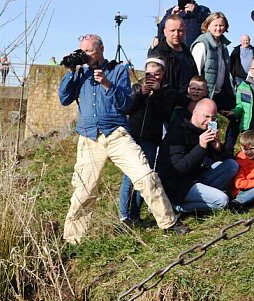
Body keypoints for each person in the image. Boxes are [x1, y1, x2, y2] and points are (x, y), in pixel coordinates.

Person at [58, 34, 187, 243]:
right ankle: (73, 239)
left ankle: (169, 222)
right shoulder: (80, 74)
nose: (85, 55)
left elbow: (126, 104)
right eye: (82, 51)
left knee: (146, 176)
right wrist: (71, 71)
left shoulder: (118, 71)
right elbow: (64, 99)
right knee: (84, 191)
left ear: (100, 50)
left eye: (89, 51)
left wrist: (107, 84)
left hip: (116, 134)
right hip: (90, 138)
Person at [118, 58, 188, 226]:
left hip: (151, 138)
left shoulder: (167, 91)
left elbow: (164, 113)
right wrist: (141, 94)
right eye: (149, 74)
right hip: (133, 136)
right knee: (129, 176)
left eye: (157, 74)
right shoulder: (136, 87)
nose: (153, 77)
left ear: (162, 74)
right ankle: (124, 215)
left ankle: (135, 215)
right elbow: (128, 109)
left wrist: (156, 94)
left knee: (144, 176)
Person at [156, 98, 239, 214]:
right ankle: (177, 208)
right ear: (195, 112)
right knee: (223, 201)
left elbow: (222, 158)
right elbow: (178, 168)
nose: (210, 121)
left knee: (232, 165)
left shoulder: (204, 130)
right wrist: (200, 147)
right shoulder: (177, 132)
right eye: (206, 116)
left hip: (196, 177)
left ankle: (206, 197)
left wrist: (218, 148)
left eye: (213, 118)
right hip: (176, 186)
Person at [192, 12, 236, 116]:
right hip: (206, 93)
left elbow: (226, 72)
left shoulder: (223, 46)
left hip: (220, 93)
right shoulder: (202, 44)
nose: (218, 28)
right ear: (208, 26)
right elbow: (195, 70)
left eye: (221, 25)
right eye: (215, 25)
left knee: (236, 113)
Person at [150, 14, 200, 96]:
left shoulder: (187, 52)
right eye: (172, 31)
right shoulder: (157, 54)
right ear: (165, 32)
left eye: (180, 30)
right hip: (168, 103)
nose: (176, 34)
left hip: (190, 99)